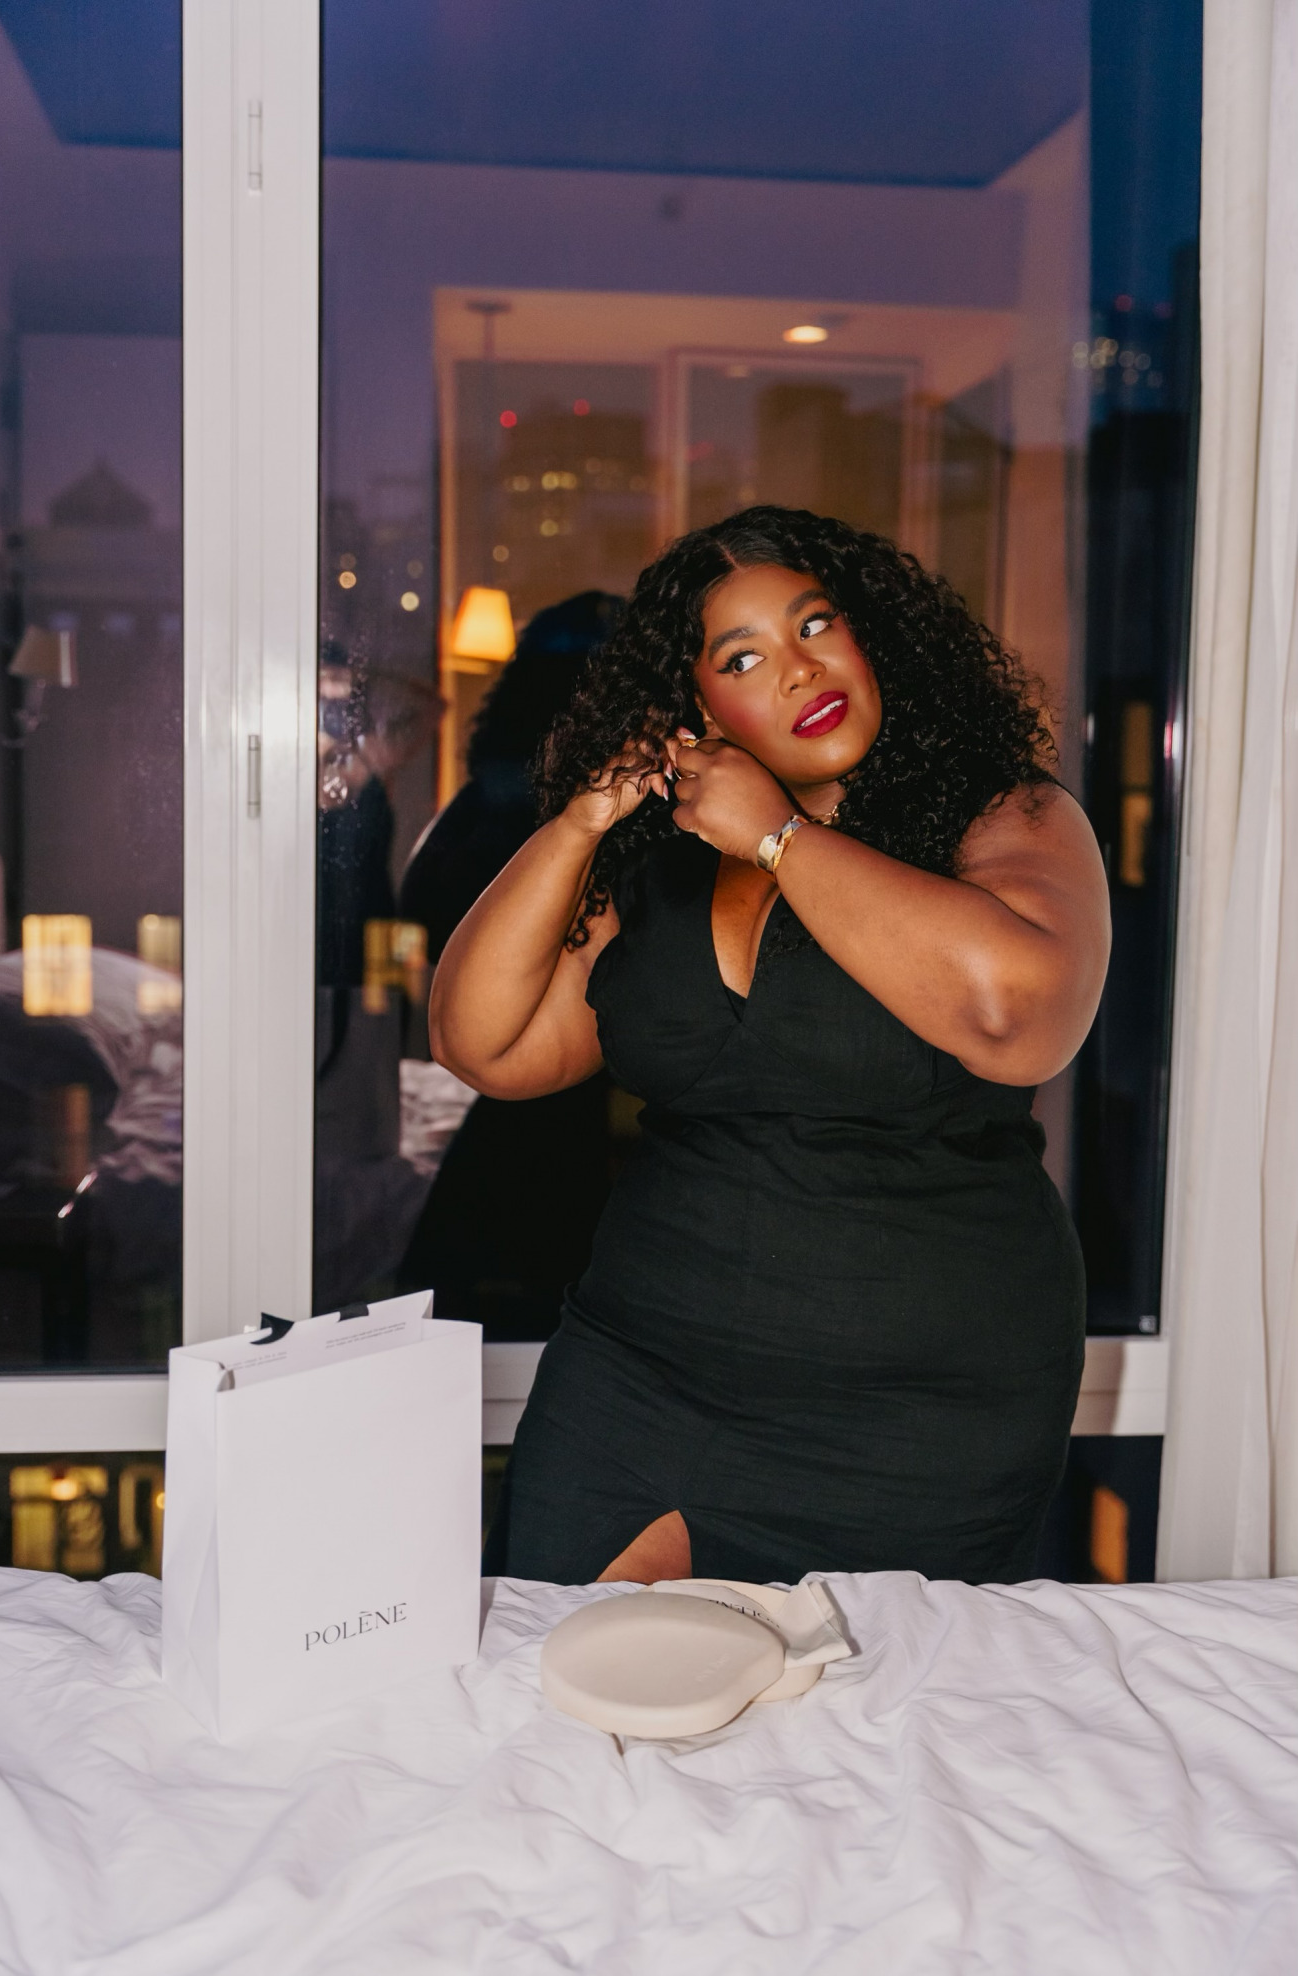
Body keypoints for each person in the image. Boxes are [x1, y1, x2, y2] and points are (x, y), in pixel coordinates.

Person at [432, 506, 1111, 1588]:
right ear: (700, 705)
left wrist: (778, 837)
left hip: (922, 1407)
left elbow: (1016, 1017)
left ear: (871, 635)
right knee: (551, 1662)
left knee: (857, 1693)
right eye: (743, 657)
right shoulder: (658, 862)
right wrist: (581, 822)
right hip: (642, 1372)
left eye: (816, 624)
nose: (799, 670)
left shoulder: (1002, 816)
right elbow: (487, 1044)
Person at [397, 592, 624, 1337]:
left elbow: (422, 899)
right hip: (543, 1023)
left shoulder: (494, 781)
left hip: (512, 1021)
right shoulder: (575, 794)